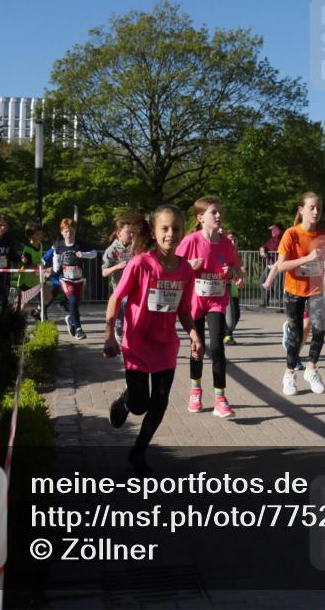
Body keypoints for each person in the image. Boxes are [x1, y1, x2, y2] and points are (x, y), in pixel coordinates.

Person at [103, 204, 203, 476]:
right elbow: (116, 298)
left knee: (159, 402)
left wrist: (194, 335)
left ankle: (138, 452)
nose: (171, 234)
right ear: (155, 232)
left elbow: (183, 309)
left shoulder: (185, 270)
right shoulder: (140, 264)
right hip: (136, 342)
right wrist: (109, 336)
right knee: (139, 404)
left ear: (183, 232)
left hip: (165, 345)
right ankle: (125, 402)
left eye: (176, 229)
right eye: (165, 228)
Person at [176, 197, 244, 419]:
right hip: (194, 301)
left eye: (219, 212)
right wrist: (188, 266)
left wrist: (232, 272)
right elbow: (173, 267)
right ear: (200, 218)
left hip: (216, 299)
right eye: (213, 212)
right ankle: (195, 391)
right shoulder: (191, 241)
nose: (218, 216)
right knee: (198, 347)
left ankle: (220, 398)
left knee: (217, 347)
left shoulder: (227, 244)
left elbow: (235, 268)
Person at [277, 191, 325, 395]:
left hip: (316, 290)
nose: (316, 211)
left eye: (319, 208)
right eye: (312, 207)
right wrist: (307, 259)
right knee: (297, 334)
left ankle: (311, 369)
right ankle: (289, 374)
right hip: (294, 290)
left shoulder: (324, 235)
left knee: (319, 330)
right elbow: (281, 266)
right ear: (301, 210)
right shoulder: (291, 234)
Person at [45, 218, 97, 340]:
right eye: (66, 231)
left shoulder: (79, 244)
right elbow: (56, 259)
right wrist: (54, 270)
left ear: (75, 231)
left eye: (72, 232)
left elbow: (94, 253)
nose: (69, 234)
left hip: (78, 279)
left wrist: (83, 254)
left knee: (75, 305)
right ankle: (79, 329)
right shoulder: (59, 245)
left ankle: (70, 319)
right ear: (62, 232)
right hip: (65, 279)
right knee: (72, 300)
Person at [102, 212, 143, 344]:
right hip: (120, 287)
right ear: (119, 233)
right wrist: (117, 266)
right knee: (123, 310)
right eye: (128, 232)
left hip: (136, 286)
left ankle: (131, 334)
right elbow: (104, 272)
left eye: (132, 233)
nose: (131, 235)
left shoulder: (135, 247)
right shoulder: (112, 250)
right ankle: (119, 333)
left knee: (135, 311)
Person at [16, 221, 50, 320]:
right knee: (24, 304)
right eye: (38, 234)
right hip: (26, 281)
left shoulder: (40, 245)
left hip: (37, 279)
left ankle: (37, 312)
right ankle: (15, 320)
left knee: (48, 296)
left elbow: (39, 261)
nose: (41, 235)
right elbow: (27, 267)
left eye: (41, 233)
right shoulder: (27, 249)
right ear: (31, 236)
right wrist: (40, 268)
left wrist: (43, 267)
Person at [223, 230, 242, 345]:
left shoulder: (236, 253)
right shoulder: (223, 252)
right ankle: (227, 335)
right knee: (228, 314)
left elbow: (240, 269)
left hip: (234, 288)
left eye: (235, 240)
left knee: (237, 313)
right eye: (230, 239)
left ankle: (227, 333)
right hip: (224, 287)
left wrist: (241, 278)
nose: (233, 241)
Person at [258, 223, 284, 308]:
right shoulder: (271, 239)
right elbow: (264, 246)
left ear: (279, 230)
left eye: (274, 229)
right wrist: (262, 249)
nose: (272, 231)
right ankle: (265, 301)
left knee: (277, 287)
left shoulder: (282, 239)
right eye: (272, 229)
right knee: (262, 281)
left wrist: (267, 250)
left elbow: (276, 249)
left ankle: (281, 305)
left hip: (278, 266)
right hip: (270, 265)